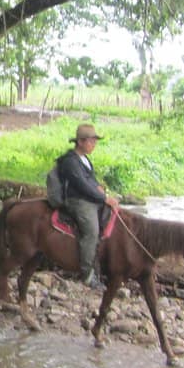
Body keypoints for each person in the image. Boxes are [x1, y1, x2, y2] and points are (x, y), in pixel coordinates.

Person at [56, 123, 119, 290]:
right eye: (91, 141)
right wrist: (104, 197)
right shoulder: (70, 162)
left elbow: (91, 181)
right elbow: (82, 185)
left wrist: (100, 189)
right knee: (91, 230)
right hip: (77, 200)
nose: (94, 145)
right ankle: (87, 274)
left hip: (88, 198)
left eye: (94, 141)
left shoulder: (85, 160)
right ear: (81, 142)